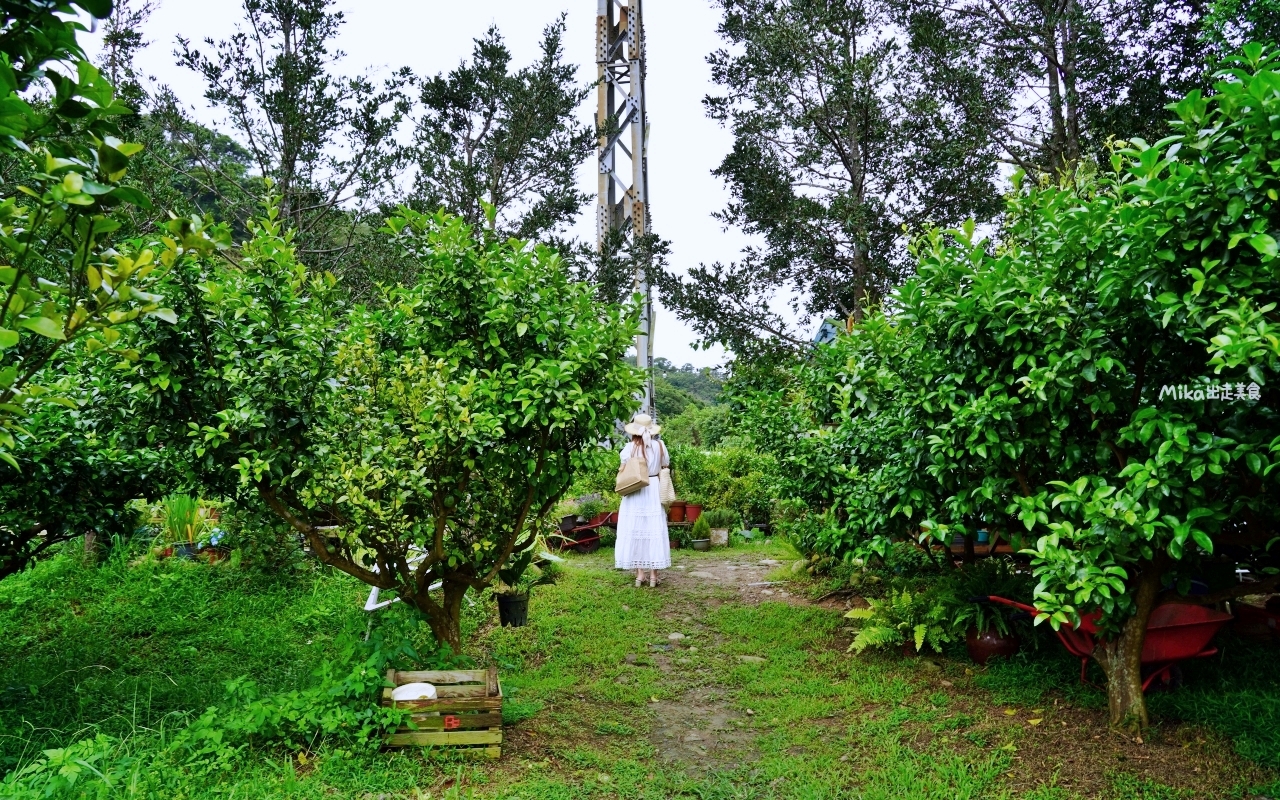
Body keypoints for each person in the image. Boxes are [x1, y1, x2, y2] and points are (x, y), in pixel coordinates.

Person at [615, 413, 671, 586]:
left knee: (636, 530)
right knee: (653, 530)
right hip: (653, 487)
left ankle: (640, 575)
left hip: (636, 488)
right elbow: (666, 463)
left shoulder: (629, 448)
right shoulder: (660, 445)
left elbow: (623, 467)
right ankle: (654, 576)